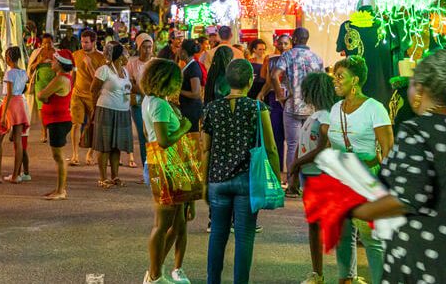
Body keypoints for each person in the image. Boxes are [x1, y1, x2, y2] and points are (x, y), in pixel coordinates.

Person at [352, 48, 446, 283]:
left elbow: (403, 198)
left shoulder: (417, 132)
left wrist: (353, 210)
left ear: (419, 89)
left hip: (429, 261)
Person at [201, 59, 281, 284]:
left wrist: (204, 183)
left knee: (218, 234)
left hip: (217, 180)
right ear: (250, 81)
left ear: (227, 81)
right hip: (247, 181)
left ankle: (212, 281)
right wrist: (274, 178)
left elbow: (205, 149)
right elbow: (272, 147)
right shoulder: (257, 108)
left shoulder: (212, 109)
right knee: (244, 237)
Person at [325, 56, 392, 284]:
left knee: (370, 237)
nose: (335, 80)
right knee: (343, 234)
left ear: (355, 80)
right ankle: (347, 279)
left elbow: (388, 149)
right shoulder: (335, 109)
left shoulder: (375, 109)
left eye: (340, 76)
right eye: (334, 76)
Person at [141, 60, 194, 284]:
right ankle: (153, 275)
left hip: (170, 164)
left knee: (178, 222)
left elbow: (147, 134)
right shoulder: (159, 105)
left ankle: (157, 271)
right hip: (166, 165)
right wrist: (184, 127)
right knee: (162, 224)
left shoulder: (150, 101)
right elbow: (163, 141)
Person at [285, 73, 336, 284]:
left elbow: (325, 145)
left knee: (318, 223)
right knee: (313, 223)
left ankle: (321, 272)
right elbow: (302, 144)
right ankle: (317, 272)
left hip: (319, 176)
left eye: (306, 90)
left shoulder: (325, 116)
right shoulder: (314, 116)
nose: (303, 94)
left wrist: (297, 163)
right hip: (309, 175)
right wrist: (295, 169)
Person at [278, 27, 324, 175]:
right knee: (310, 145)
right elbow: (322, 82)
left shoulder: (287, 55)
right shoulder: (317, 58)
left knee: (292, 145)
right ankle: (308, 180)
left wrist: (280, 94)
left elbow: (274, 74)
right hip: (312, 109)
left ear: (294, 39)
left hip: (292, 106)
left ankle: (292, 182)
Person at [89, 42, 134, 187]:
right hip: (106, 110)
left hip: (122, 111)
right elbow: (93, 89)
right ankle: (103, 177)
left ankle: (115, 176)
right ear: (119, 56)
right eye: (125, 53)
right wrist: (93, 109)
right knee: (104, 145)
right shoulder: (104, 70)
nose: (127, 56)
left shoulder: (125, 71)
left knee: (116, 146)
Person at [0, 46, 31, 183]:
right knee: (18, 141)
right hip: (20, 103)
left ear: (8, 58)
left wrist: (4, 113)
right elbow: (24, 88)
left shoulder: (9, 73)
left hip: (10, 104)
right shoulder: (23, 72)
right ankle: (16, 176)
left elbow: (9, 93)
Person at [36, 51, 75, 200]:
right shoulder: (64, 78)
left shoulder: (61, 79)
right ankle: (59, 188)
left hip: (59, 121)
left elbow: (41, 95)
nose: (51, 62)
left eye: (53, 60)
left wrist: (45, 97)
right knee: (58, 156)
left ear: (59, 63)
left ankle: (61, 191)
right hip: (56, 121)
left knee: (59, 157)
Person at [70, 29, 107, 166]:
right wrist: (70, 89)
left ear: (94, 42)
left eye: (86, 42)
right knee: (76, 124)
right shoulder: (76, 55)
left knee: (94, 126)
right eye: (82, 42)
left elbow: (99, 80)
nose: (83, 45)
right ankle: (74, 154)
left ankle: (90, 153)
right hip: (77, 94)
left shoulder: (101, 58)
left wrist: (90, 64)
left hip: (93, 96)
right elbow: (73, 74)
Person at [128, 33, 156, 180]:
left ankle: (154, 169)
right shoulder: (132, 64)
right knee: (143, 135)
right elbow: (130, 84)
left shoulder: (156, 63)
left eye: (150, 47)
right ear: (139, 48)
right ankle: (147, 170)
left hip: (155, 104)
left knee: (154, 136)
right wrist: (145, 91)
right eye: (144, 47)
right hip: (138, 105)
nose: (147, 50)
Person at [262, 34, 291, 174]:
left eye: (286, 44)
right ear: (276, 44)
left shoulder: (293, 59)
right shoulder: (272, 60)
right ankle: (277, 168)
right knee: (276, 134)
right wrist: (261, 94)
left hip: (290, 98)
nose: (283, 46)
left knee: (291, 136)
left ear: (291, 44)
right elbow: (269, 81)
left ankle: (290, 170)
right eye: (281, 43)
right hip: (275, 98)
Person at [28, 33, 59, 143]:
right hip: (40, 82)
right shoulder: (37, 52)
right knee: (42, 107)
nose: (47, 45)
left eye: (49, 43)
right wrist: (38, 62)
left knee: (53, 106)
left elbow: (63, 68)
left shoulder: (57, 53)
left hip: (53, 81)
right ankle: (44, 131)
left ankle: (53, 131)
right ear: (41, 43)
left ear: (53, 42)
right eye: (45, 43)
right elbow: (30, 69)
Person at [178, 39, 206, 131]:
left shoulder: (193, 68)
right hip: (187, 109)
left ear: (184, 52)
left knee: (192, 139)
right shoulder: (188, 66)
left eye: (179, 48)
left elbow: (196, 93)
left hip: (192, 111)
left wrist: (178, 91)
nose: (178, 51)